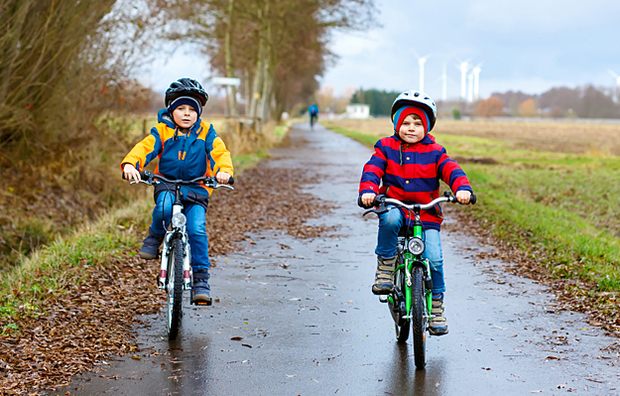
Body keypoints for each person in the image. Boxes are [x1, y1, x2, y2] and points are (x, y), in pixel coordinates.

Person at [358, 90, 473, 335]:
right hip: (394, 204)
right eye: (405, 123)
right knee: (389, 218)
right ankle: (386, 267)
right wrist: (369, 190)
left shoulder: (435, 151)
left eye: (418, 123)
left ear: (427, 127)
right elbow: (372, 169)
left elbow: (451, 170)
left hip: (426, 215)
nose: (411, 128)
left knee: (434, 258)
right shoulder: (386, 147)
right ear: (397, 124)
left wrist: (462, 188)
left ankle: (437, 306)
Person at [121, 77, 234, 305]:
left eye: (192, 109)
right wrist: (131, 164)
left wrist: (223, 171)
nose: (186, 114)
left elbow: (220, 153)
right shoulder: (162, 131)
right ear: (170, 111)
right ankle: (154, 239)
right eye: (180, 108)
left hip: (197, 188)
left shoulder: (206, 133)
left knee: (197, 229)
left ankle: (201, 279)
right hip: (167, 184)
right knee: (163, 208)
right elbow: (144, 148)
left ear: (199, 113)